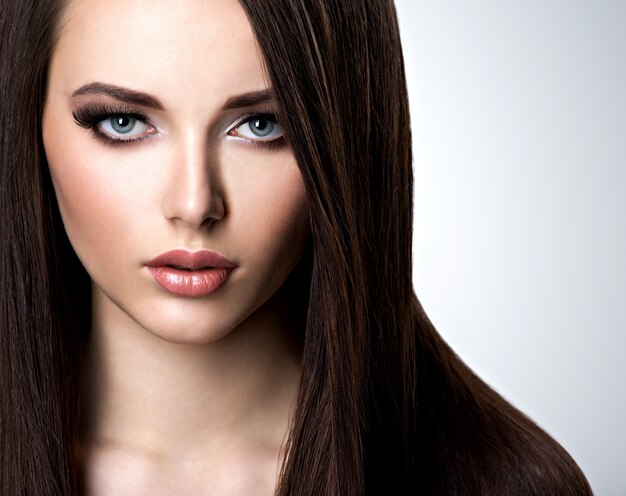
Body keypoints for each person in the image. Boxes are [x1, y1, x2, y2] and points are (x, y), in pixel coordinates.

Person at [0, 0, 592, 494]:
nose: (194, 202)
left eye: (261, 125)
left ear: (343, 139)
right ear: (28, 120)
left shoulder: (502, 482)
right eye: (124, 122)